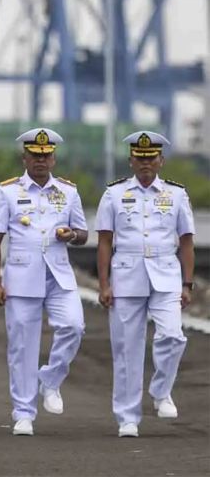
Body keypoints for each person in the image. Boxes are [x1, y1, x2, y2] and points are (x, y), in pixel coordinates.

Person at [0, 128, 87, 436]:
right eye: (35, 155)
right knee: (22, 346)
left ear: (54, 158)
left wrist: (71, 235)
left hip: (58, 274)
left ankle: (51, 379)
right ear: (24, 157)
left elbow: (83, 234)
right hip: (21, 276)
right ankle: (23, 413)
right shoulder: (7, 192)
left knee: (74, 326)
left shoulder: (68, 192)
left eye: (46, 156)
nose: (40, 161)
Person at [95, 131, 195, 438]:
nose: (145, 164)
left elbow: (187, 241)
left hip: (166, 273)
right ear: (130, 161)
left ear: (161, 161)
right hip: (126, 274)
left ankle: (161, 390)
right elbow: (104, 241)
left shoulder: (176, 195)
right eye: (140, 159)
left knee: (173, 336)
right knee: (127, 349)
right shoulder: (114, 194)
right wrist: (103, 284)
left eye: (151, 158)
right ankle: (127, 417)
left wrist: (187, 283)